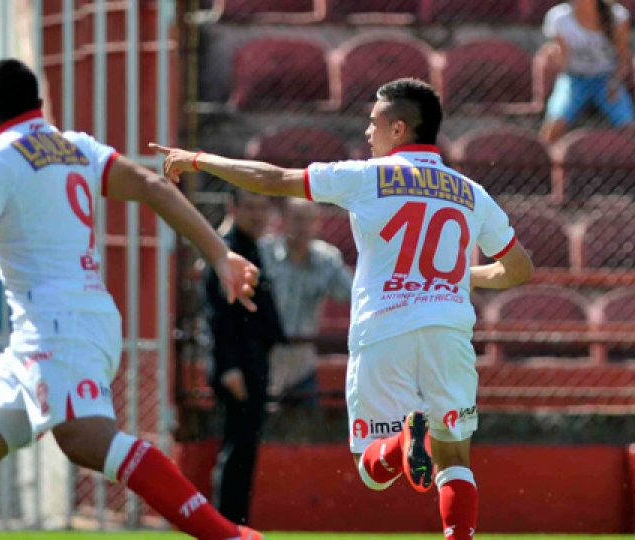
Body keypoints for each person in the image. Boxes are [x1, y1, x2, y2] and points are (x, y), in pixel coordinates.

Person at [0, 58, 264, 540]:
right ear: (38, 104)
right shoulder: (75, 147)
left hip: (59, 328)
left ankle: (232, 537)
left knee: (85, 440)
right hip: (52, 328)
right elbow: (154, 185)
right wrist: (220, 255)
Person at [152, 78, 535, 540]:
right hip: (448, 329)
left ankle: (399, 441)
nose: (367, 132)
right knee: (454, 460)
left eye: (374, 123)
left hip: (384, 328)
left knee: (375, 469)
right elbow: (518, 269)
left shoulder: (365, 177)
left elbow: (274, 179)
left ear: (398, 128)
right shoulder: (470, 191)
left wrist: (200, 159)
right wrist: (460, 277)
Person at [205, 190, 285, 525]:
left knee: (245, 449)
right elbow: (218, 316)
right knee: (237, 449)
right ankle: (227, 523)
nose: (257, 215)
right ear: (233, 208)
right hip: (238, 365)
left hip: (253, 362)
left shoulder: (251, 246)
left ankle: (235, 524)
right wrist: (229, 367)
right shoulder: (226, 248)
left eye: (262, 208)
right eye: (249, 208)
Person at [260, 199, 352, 407]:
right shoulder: (263, 253)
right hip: (263, 364)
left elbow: (353, 295)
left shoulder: (326, 259)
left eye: (310, 220)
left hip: (302, 368)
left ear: (318, 224)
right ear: (284, 221)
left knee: (307, 434)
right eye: (298, 219)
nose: (304, 227)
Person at [540, 0, 633, 143]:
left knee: (628, 127)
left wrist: (615, 83)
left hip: (607, 80)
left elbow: (624, 59)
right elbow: (563, 64)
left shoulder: (617, 15)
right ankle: (547, 161)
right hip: (574, 80)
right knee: (553, 126)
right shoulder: (559, 18)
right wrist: (554, 56)